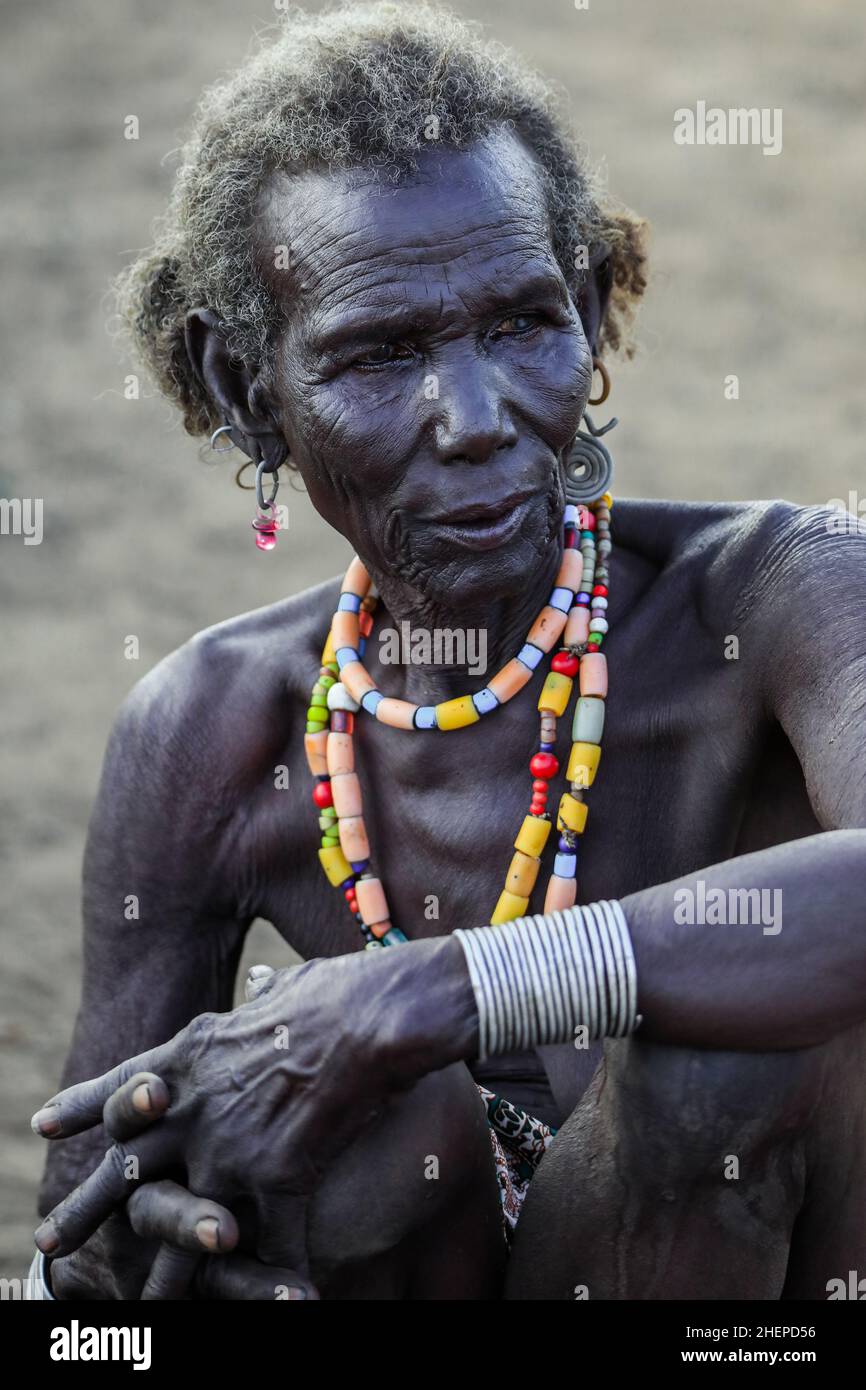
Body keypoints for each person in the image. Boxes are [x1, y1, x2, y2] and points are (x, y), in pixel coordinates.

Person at [30, 2, 866, 1300]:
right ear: (251, 388)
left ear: (589, 316)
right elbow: (88, 1236)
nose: (473, 420)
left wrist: (431, 990)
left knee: (714, 1047)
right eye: (382, 353)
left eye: (521, 323)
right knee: (336, 1130)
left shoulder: (779, 593)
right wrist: (160, 1253)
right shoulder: (212, 727)